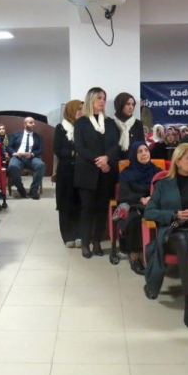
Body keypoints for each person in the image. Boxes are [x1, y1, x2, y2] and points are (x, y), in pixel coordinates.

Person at [144, 144, 188, 328]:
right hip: (174, 231)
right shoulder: (163, 184)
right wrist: (175, 215)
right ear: (178, 161)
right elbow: (149, 212)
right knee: (185, 240)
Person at [74, 87, 120, 258]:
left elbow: (115, 145)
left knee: (101, 209)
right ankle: (85, 243)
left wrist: (107, 158)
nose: (102, 101)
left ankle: (97, 241)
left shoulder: (110, 122)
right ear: (90, 100)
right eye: (99, 98)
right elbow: (80, 147)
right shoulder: (81, 123)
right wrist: (99, 161)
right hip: (87, 172)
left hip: (106, 172)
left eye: (104, 98)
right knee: (87, 208)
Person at [117, 142, 160, 275]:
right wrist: (141, 198)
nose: (144, 154)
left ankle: (158, 255)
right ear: (133, 155)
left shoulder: (157, 171)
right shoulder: (126, 173)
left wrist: (152, 198)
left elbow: (163, 189)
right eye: (139, 151)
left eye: (146, 150)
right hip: (131, 204)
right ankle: (135, 256)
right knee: (135, 219)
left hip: (153, 204)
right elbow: (124, 194)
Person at [54, 100, 82, 248]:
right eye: (78, 109)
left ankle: (79, 234)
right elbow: (58, 149)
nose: (81, 112)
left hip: (81, 171)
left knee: (79, 202)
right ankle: (67, 235)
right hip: (65, 172)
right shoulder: (61, 128)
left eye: (82, 109)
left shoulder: (84, 127)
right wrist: (74, 153)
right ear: (70, 111)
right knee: (65, 203)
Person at [6, 117, 45, 200]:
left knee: (41, 165)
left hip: (31, 158)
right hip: (18, 157)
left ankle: (34, 189)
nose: (33, 124)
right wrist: (15, 153)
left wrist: (31, 154)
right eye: (31, 122)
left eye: (34, 122)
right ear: (24, 125)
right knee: (12, 166)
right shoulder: (15, 134)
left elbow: (41, 150)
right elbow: (9, 147)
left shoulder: (38, 137)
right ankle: (21, 189)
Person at [113, 92, 145, 159]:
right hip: (114, 162)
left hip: (133, 162)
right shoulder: (111, 124)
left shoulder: (138, 124)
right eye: (128, 104)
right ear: (120, 105)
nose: (131, 107)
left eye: (133, 104)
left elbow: (141, 146)